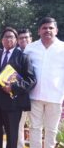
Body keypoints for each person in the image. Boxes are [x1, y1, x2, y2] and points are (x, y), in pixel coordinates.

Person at [0, 27, 36, 148]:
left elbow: (31, 80)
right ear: (1, 40)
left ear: (16, 40)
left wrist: (13, 87)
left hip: (12, 104)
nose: (8, 39)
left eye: (11, 36)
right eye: (5, 36)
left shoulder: (23, 57)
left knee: (12, 137)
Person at [24, 17, 64, 148]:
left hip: (55, 96)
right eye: (44, 28)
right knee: (34, 128)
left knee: (51, 130)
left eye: (51, 28)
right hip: (34, 95)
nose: (48, 30)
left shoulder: (62, 48)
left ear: (56, 31)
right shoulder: (30, 48)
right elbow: (22, 70)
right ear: (38, 31)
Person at [16, 28, 33, 148]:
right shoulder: (14, 54)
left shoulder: (38, 51)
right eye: (21, 38)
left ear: (31, 39)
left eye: (26, 37)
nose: (24, 40)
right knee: (19, 126)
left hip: (37, 95)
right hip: (20, 95)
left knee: (36, 127)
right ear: (17, 40)